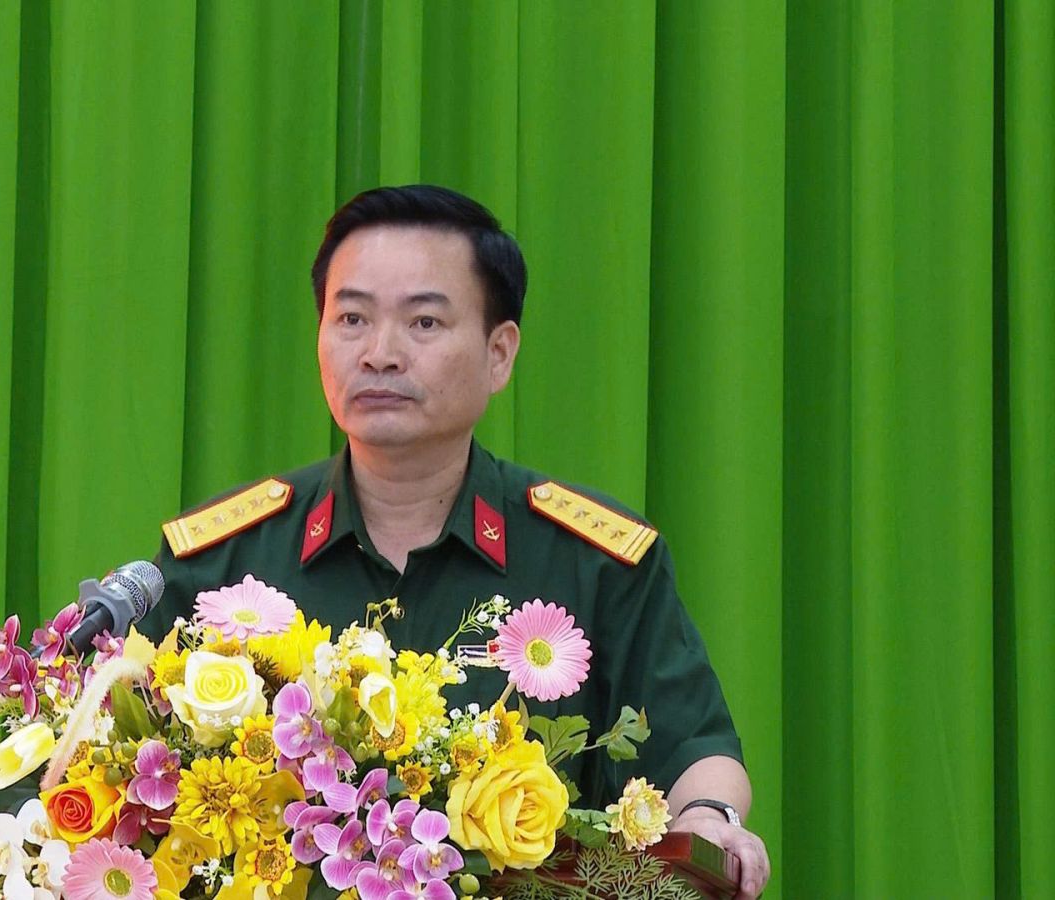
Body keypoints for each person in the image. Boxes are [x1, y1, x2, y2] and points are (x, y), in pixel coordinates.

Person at [139, 185, 770, 898]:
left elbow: (695, 749)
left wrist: (710, 818)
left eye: (424, 322)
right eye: (351, 318)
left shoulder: (595, 562)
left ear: (499, 354)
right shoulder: (219, 562)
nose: (379, 354)